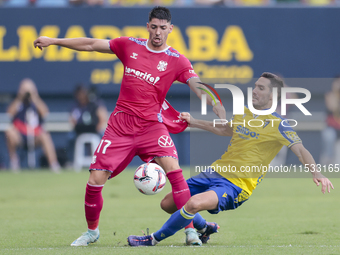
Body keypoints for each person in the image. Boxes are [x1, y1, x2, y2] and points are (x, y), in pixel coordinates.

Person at [33, 6, 225, 246]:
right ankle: (92, 231)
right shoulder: (129, 45)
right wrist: (54, 41)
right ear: (148, 26)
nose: (157, 33)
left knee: (175, 173)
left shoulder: (177, 60)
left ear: (170, 29)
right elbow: (92, 44)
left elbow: (197, 84)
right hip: (120, 126)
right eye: (153, 27)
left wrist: (215, 102)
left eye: (162, 28)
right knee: (95, 180)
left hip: (151, 127)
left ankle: (190, 231)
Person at [127, 72, 334, 246]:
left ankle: (151, 239)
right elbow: (226, 129)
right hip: (214, 172)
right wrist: (194, 122)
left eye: (261, 88)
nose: (254, 90)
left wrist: (316, 172)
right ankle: (204, 227)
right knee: (168, 204)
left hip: (236, 185)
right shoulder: (245, 112)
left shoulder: (279, 124)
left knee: (192, 204)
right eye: (255, 86)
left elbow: (301, 150)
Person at [5, 78, 60, 172]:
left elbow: (45, 113)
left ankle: (54, 164)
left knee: (45, 135)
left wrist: (34, 97)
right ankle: (14, 163)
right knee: (9, 132)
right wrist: (20, 97)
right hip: (20, 137)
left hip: (35, 136)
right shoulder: (18, 103)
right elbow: (9, 114)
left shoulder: (35, 102)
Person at [320, 76, 340, 165]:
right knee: (329, 136)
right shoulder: (330, 95)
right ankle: (328, 160)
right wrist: (336, 92)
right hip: (332, 128)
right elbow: (333, 107)